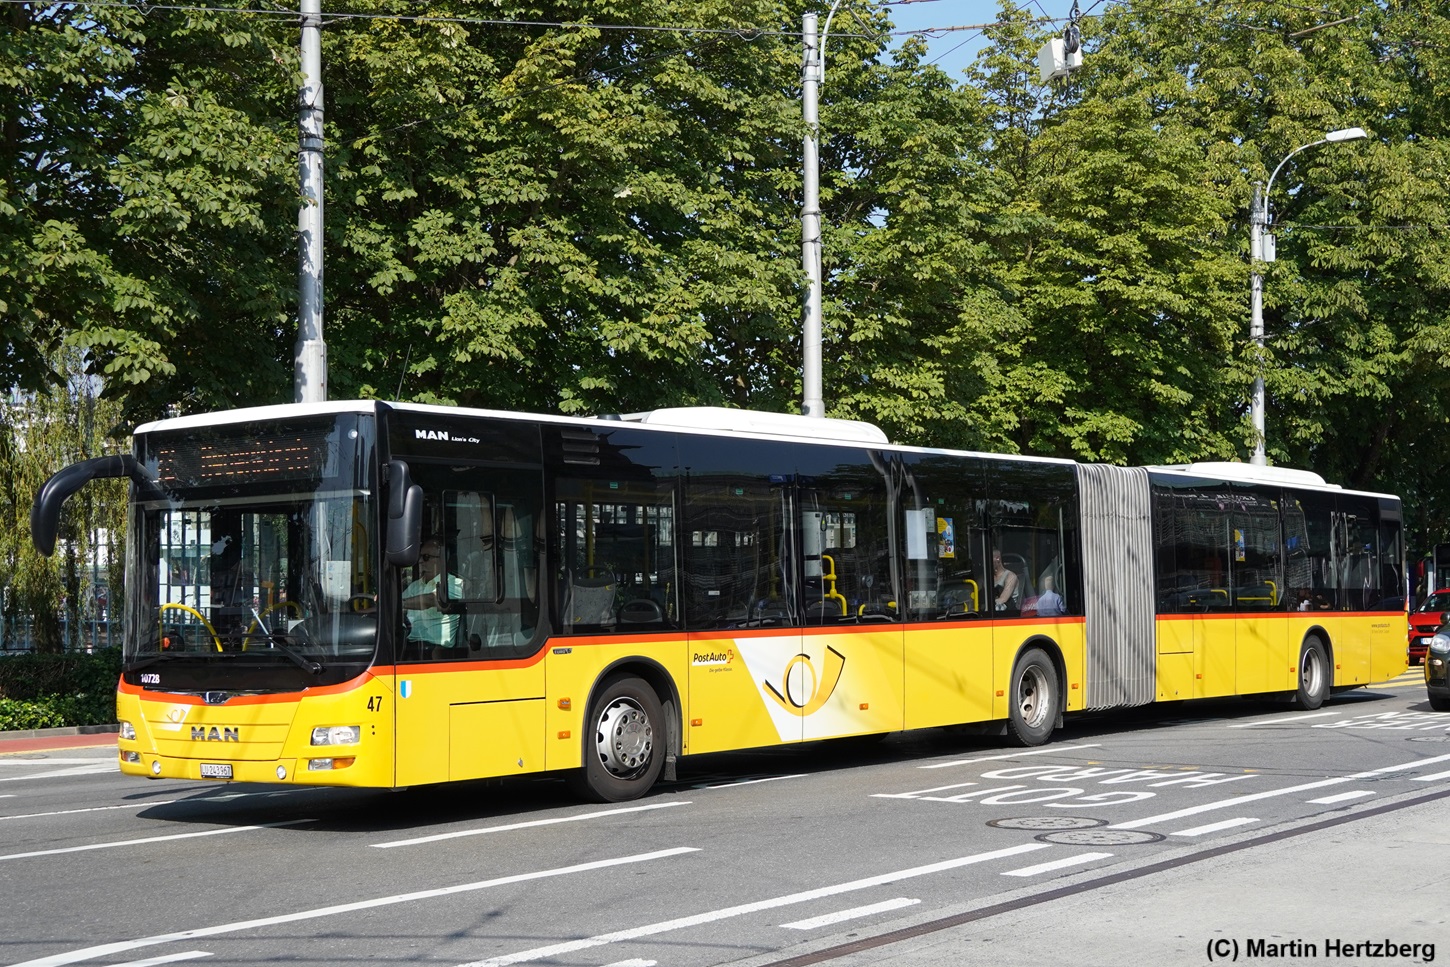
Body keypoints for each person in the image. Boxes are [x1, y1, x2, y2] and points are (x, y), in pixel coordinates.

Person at [401, 537, 464, 654]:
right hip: (412, 645)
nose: (420, 561)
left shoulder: (453, 584)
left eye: (426, 557)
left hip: (438, 651)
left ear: (442, 559)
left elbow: (430, 599)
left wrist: (400, 604)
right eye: (419, 557)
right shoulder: (415, 586)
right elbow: (394, 605)